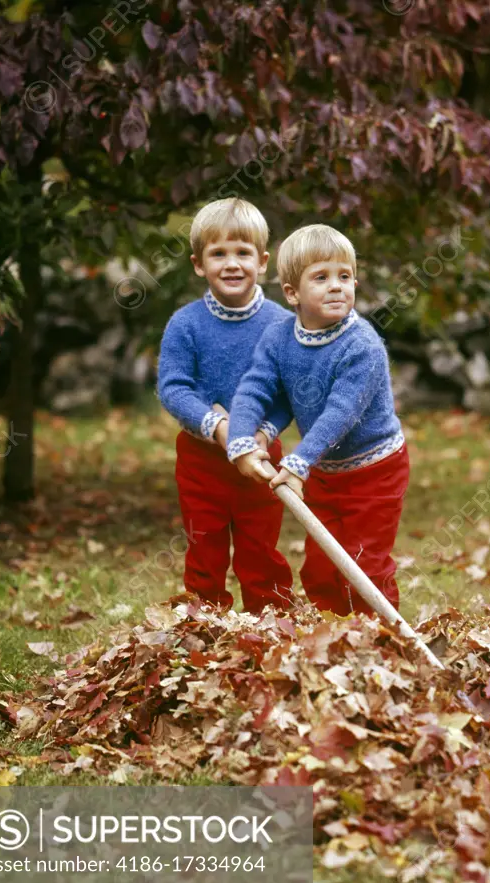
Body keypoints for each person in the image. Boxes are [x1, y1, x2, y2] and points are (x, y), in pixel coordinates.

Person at [225, 224, 409, 616]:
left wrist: (296, 462)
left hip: (375, 470)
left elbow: (339, 414)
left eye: (345, 276)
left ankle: (382, 640)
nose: (337, 286)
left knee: (364, 563)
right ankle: (334, 640)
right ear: (292, 293)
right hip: (324, 470)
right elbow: (255, 389)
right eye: (321, 277)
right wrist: (241, 439)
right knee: (322, 568)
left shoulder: (362, 346)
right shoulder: (279, 339)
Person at [157, 198, 294, 612]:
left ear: (263, 262)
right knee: (205, 548)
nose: (231, 264)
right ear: (199, 264)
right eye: (219, 254)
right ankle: (204, 624)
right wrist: (217, 426)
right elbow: (174, 387)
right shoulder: (186, 324)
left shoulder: (280, 325)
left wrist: (260, 434)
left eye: (242, 253)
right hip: (203, 459)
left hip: (261, 457)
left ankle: (269, 625)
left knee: (260, 548)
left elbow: (287, 394)